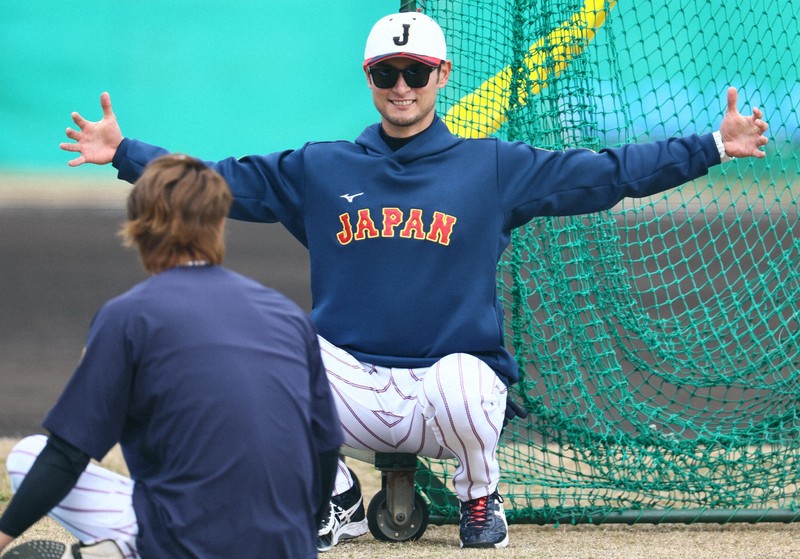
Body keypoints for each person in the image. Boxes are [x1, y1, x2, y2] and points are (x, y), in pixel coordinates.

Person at [55, 10, 769, 551]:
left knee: (464, 379)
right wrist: (124, 153)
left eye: (416, 72)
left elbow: (609, 174)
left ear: (442, 76)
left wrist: (712, 145)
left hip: (449, 394)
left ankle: (479, 494)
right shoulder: (321, 167)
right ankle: (331, 490)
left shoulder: (493, 166)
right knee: (277, 347)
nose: (402, 86)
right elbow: (215, 184)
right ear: (369, 79)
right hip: (349, 391)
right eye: (387, 73)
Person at [0, 155, 343, 559]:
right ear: (219, 225)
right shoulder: (287, 314)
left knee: (27, 456)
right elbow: (325, 448)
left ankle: (122, 551)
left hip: (185, 539)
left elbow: (67, 454)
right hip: (286, 543)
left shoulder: (129, 315)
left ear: (137, 226)